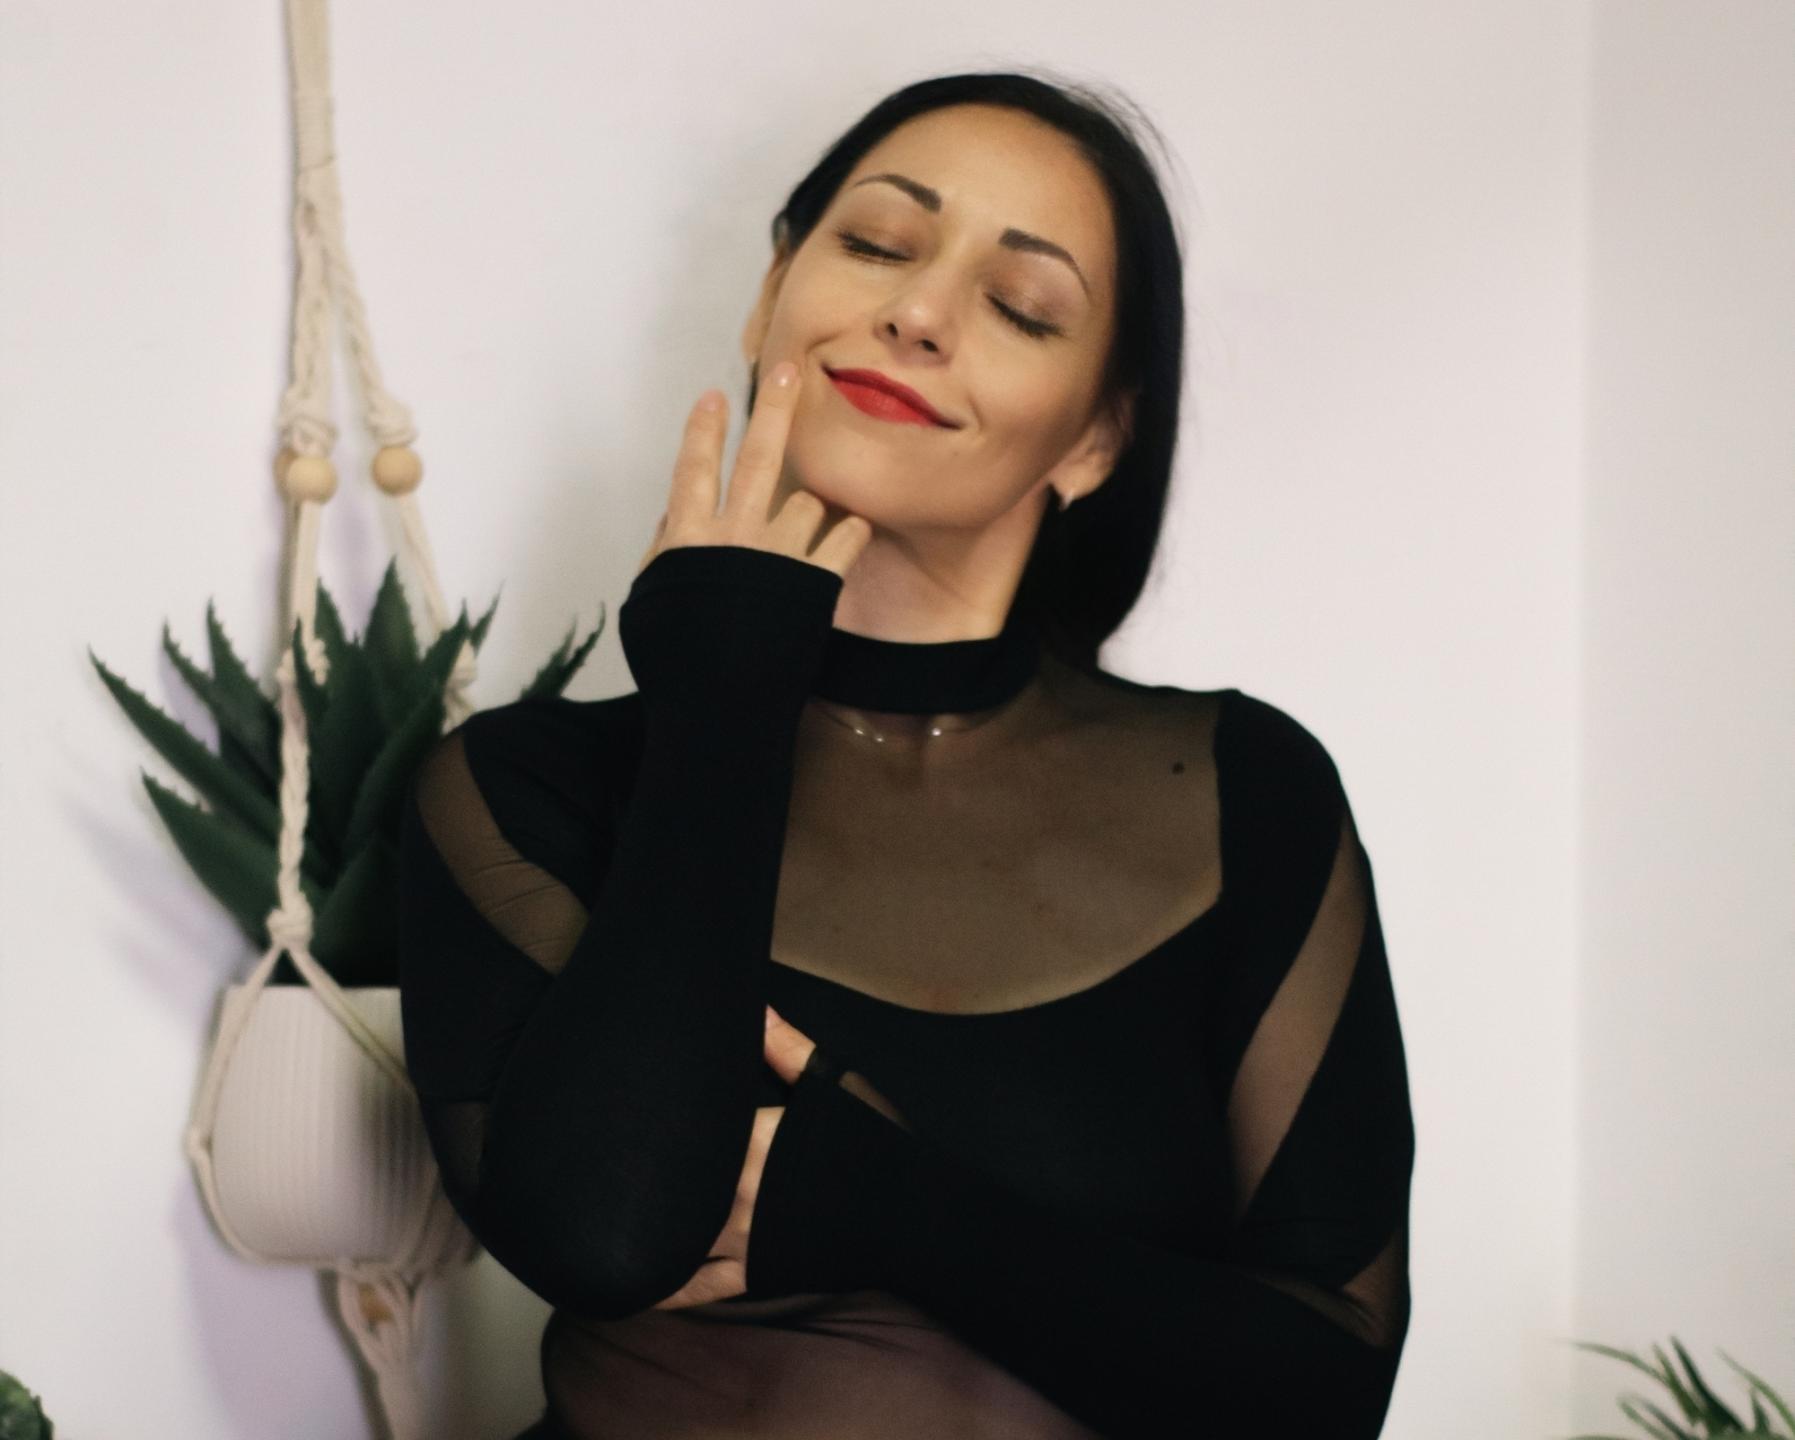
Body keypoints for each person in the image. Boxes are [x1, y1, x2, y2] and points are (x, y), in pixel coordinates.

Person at [396, 69, 1416, 1440]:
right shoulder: (519, 790)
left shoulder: (1248, 797)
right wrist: (722, 705)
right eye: (878, 242)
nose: (919, 312)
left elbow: (1325, 1392)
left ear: (1098, 435)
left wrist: (862, 1199)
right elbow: (604, 1231)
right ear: (773, 293)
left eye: (1022, 306)